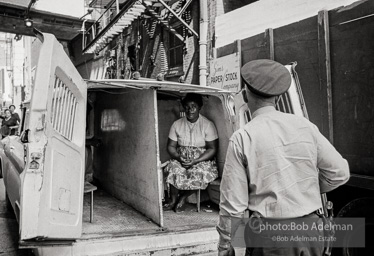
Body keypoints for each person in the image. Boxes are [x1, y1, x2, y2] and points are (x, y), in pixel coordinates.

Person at [217, 59, 350, 256]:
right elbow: (340, 172)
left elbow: (233, 205)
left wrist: (225, 245)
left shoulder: (243, 138)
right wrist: (306, 188)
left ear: (245, 96)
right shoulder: (306, 127)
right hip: (311, 231)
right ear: (278, 98)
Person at [163, 93, 219, 212]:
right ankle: (173, 199)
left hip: (202, 159)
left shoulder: (208, 125)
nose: (190, 110)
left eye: (193, 106)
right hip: (180, 158)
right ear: (183, 107)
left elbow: (212, 149)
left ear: (200, 107)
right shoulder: (177, 124)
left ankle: (183, 197)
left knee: (200, 172)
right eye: (187, 106)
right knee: (173, 169)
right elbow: (171, 146)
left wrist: (197, 160)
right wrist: (179, 157)